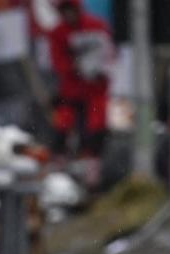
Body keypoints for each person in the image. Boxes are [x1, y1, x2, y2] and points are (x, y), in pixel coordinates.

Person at [46, 0, 113, 163]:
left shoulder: (97, 25)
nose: (68, 15)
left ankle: (92, 169)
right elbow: (58, 62)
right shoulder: (58, 32)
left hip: (95, 91)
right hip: (70, 92)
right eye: (64, 11)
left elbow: (110, 54)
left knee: (95, 133)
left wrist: (100, 70)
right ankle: (60, 166)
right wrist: (75, 68)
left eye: (70, 10)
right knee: (61, 130)